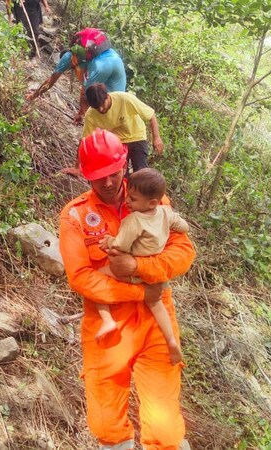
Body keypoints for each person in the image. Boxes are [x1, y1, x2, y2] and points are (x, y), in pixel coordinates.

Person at [58, 129, 195, 449]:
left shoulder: (154, 202)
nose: (106, 182)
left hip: (155, 324)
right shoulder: (75, 216)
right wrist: (138, 292)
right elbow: (80, 277)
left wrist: (139, 268)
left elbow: (183, 253)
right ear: (84, 175)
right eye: (96, 176)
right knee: (106, 425)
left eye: (112, 173)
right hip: (108, 327)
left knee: (164, 431)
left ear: (124, 166)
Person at [95, 167, 190, 365]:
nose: (127, 201)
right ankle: (171, 341)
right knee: (156, 304)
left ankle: (107, 320)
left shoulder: (134, 220)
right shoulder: (165, 212)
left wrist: (109, 241)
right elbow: (184, 227)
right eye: (128, 196)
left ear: (152, 202)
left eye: (133, 199)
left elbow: (121, 245)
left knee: (97, 277)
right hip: (155, 273)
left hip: (135, 271)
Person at [26, 28, 126, 123]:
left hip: (110, 104)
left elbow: (86, 96)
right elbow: (85, 88)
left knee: (91, 102)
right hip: (119, 102)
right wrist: (81, 112)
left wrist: (33, 96)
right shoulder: (102, 55)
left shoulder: (98, 66)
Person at [82, 82, 164, 175]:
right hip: (117, 142)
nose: (100, 109)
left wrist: (156, 138)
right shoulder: (91, 114)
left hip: (137, 136)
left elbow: (151, 115)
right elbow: (85, 141)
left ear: (108, 96)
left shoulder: (125, 99)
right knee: (118, 173)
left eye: (102, 104)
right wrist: (77, 167)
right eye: (97, 108)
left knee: (141, 173)